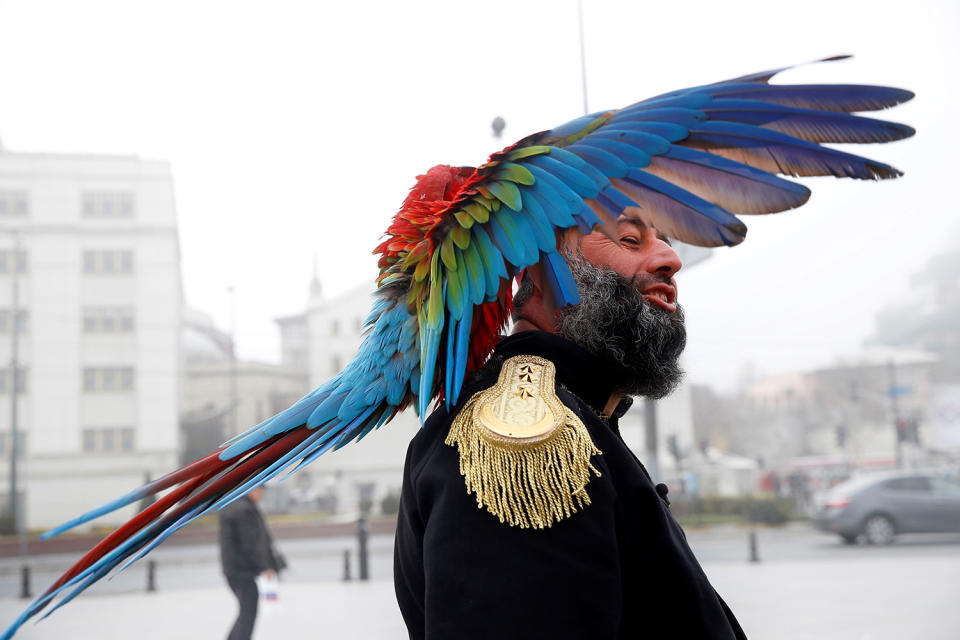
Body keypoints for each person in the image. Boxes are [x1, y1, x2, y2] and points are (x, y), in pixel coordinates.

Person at [394, 215, 748, 639]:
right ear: (540, 269)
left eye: (667, 240)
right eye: (629, 239)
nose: (671, 259)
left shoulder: (581, 413)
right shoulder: (526, 435)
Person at [219, 486, 284, 640]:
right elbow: (251, 543)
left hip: (235, 569)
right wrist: (265, 567)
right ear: (252, 490)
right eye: (261, 490)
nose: (262, 495)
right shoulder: (243, 510)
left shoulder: (237, 505)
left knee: (246, 611)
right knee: (248, 612)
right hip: (242, 571)